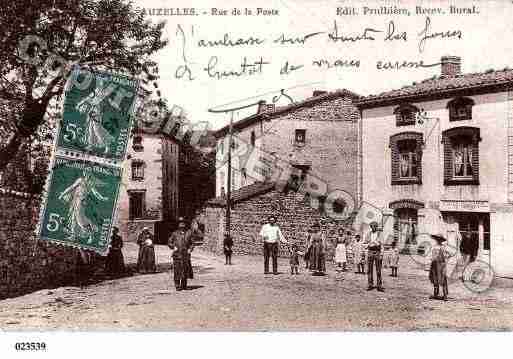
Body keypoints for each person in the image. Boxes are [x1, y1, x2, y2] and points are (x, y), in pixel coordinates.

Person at [168, 217, 194, 290]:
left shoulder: (189, 233)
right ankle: (177, 285)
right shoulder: (174, 233)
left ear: (185, 224)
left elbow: (192, 243)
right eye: (180, 223)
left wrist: (190, 249)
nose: (182, 225)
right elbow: (169, 242)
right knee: (177, 270)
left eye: (183, 223)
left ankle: (184, 285)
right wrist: (173, 247)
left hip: (185, 254)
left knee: (185, 270)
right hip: (177, 255)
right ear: (178, 225)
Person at [429, 233, 454, 301]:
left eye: (439, 239)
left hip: (441, 265)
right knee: (434, 279)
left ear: (441, 240)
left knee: (443, 279)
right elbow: (431, 255)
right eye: (437, 239)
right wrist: (431, 259)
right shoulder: (434, 246)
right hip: (434, 264)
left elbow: (450, 254)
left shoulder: (443, 247)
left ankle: (445, 295)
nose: (438, 240)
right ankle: (435, 294)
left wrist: (445, 259)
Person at [364, 221, 385, 292]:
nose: (374, 228)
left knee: (378, 270)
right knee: (369, 269)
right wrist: (369, 244)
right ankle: (370, 284)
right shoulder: (368, 234)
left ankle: (379, 285)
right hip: (370, 252)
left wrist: (381, 254)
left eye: (375, 226)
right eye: (372, 226)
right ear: (371, 227)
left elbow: (381, 244)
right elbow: (365, 244)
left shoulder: (380, 234)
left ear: (376, 227)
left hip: (377, 252)